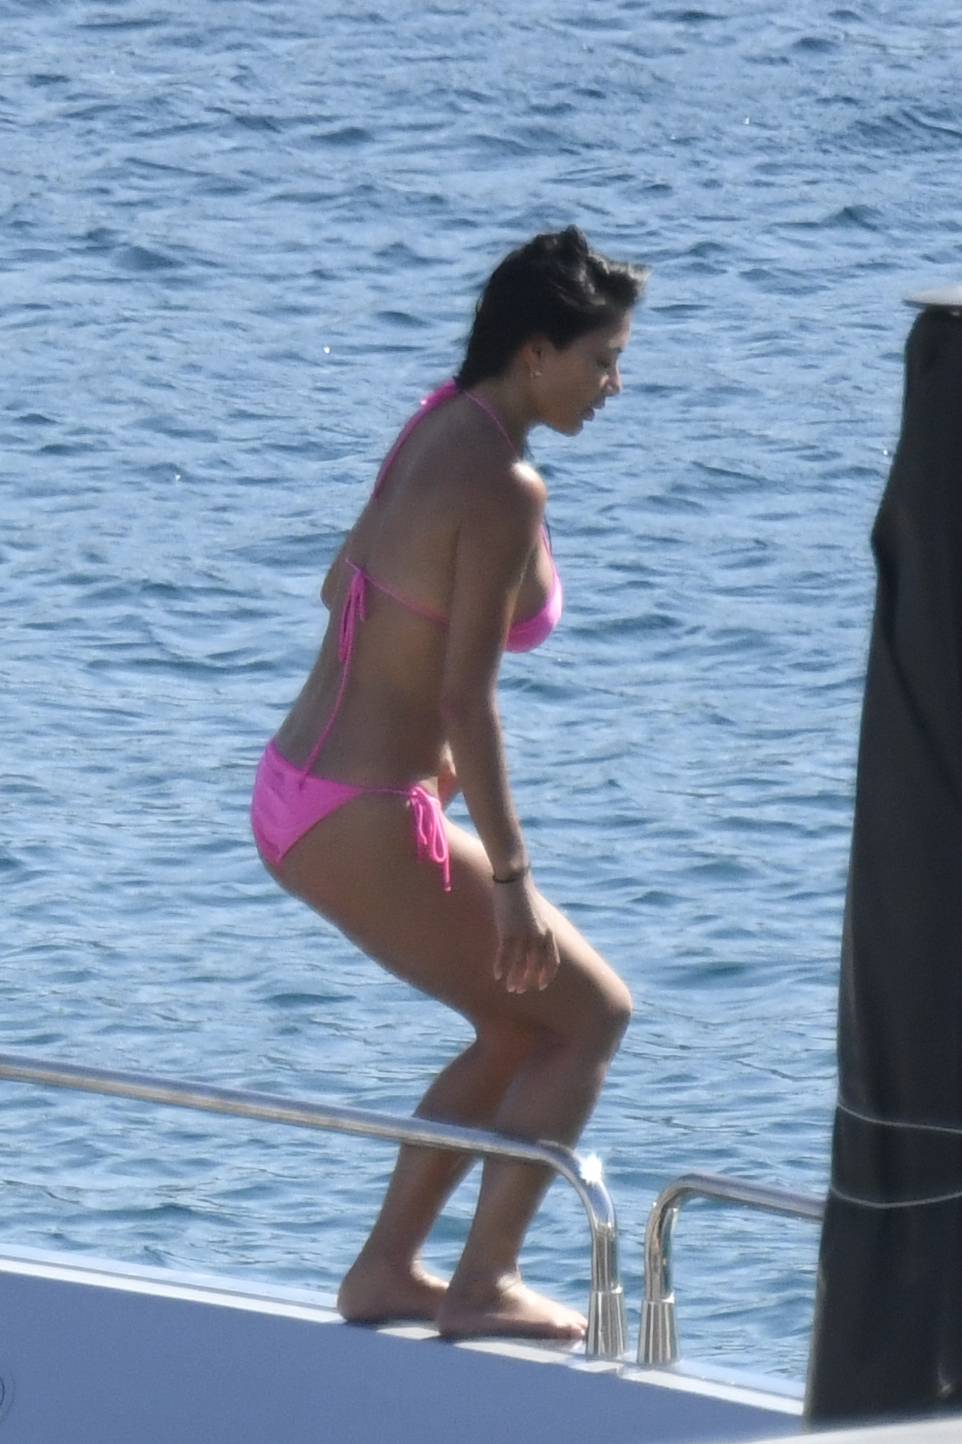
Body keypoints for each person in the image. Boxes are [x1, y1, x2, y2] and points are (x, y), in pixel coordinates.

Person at [251, 226, 647, 1342]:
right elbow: (471, 700)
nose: (613, 386)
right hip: (364, 814)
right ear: (536, 351)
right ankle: (483, 1284)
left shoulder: (436, 422)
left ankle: (388, 1269)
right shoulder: (505, 486)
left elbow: (341, 583)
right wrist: (512, 880)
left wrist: (407, 727)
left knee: (516, 1027)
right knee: (592, 1016)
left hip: (301, 786)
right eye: (603, 360)